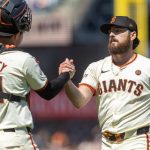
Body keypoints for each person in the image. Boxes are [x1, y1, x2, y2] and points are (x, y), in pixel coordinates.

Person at [59, 16, 150, 150]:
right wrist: (66, 80)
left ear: (132, 35)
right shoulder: (96, 67)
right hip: (107, 142)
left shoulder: (146, 66)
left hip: (137, 140)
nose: (112, 34)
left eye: (118, 31)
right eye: (110, 32)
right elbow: (79, 101)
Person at [0, 0, 73, 149]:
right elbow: (49, 92)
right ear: (18, 31)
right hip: (16, 140)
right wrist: (66, 75)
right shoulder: (23, 59)